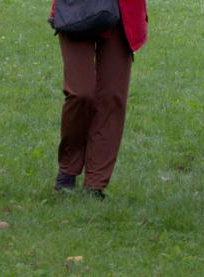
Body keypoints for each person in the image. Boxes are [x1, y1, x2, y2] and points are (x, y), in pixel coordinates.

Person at [49, 0, 148, 199]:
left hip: (124, 12)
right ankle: (68, 169)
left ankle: (95, 183)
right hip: (75, 9)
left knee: (112, 98)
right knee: (81, 93)